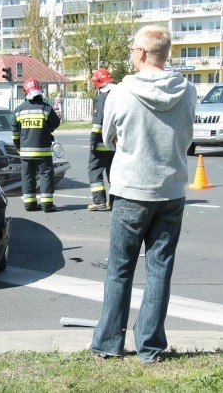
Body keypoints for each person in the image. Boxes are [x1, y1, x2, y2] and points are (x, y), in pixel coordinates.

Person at [89, 25, 196, 363]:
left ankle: (109, 343)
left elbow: (108, 139)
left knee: (120, 268)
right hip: (171, 189)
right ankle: (150, 346)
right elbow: (188, 134)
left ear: (140, 53)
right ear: (165, 53)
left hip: (132, 190)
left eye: (132, 48)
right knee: (160, 268)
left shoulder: (120, 93)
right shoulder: (188, 90)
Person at [11, 77, 61, 213]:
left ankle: (30, 204)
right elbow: (55, 123)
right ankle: (47, 205)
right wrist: (47, 129)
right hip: (43, 151)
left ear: (25, 91)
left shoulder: (18, 110)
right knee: (45, 175)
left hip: (25, 152)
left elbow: (15, 133)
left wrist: (18, 146)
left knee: (28, 177)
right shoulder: (46, 108)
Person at [87, 68, 116, 211]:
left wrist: (92, 143)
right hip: (117, 145)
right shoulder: (119, 95)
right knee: (114, 173)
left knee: (94, 170)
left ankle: (99, 202)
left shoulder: (102, 98)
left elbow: (97, 125)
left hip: (101, 144)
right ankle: (114, 202)